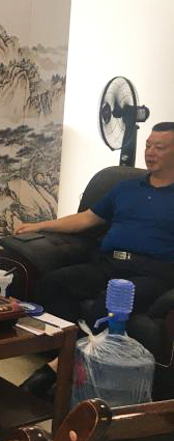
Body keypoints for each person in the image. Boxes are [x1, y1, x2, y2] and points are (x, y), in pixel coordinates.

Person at [16, 122, 174, 397]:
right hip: (108, 263)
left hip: (151, 272)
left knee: (108, 304)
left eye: (159, 148)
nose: (150, 152)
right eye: (148, 145)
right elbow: (87, 219)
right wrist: (40, 225)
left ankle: (54, 372)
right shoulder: (126, 188)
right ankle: (72, 358)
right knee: (53, 283)